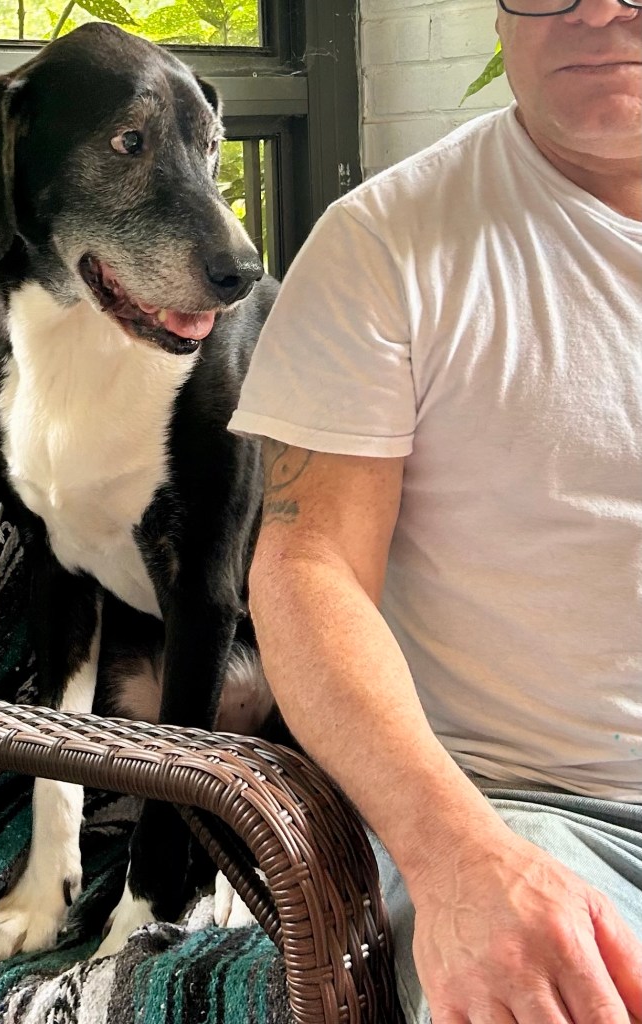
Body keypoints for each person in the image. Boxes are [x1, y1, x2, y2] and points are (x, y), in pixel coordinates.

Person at [227, 1, 642, 1021]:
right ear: (501, 17)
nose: (595, 8)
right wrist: (458, 857)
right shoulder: (387, 245)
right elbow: (305, 568)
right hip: (531, 816)